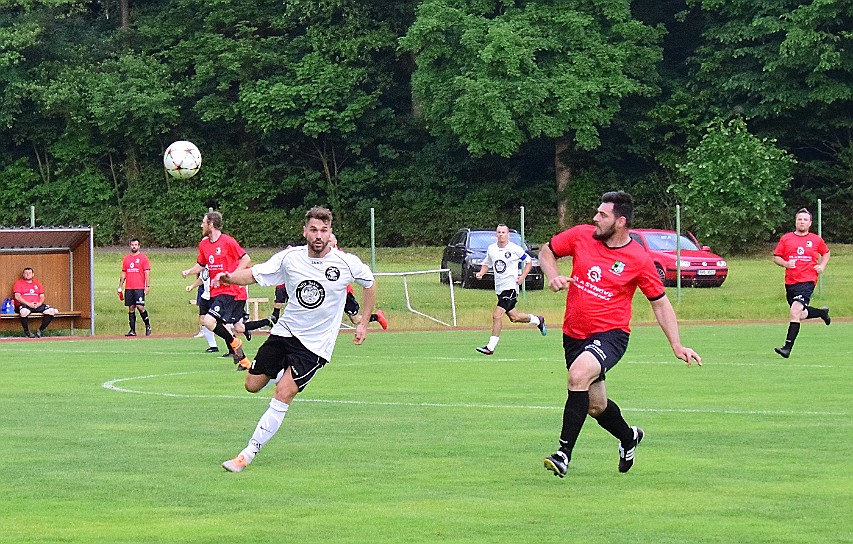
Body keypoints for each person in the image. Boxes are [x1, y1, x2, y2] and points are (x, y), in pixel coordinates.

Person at [537, 191, 701, 478]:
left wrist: (676, 344)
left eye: (603, 215)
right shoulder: (581, 236)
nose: (595, 218)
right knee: (595, 405)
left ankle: (563, 454)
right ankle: (628, 437)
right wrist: (552, 275)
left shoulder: (638, 258)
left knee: (578, 375)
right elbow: (546, 250)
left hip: (611, 335)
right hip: (574, 334)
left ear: (621, 221)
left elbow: (660, 303)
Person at [215, 207, 377, 473]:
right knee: (252, 385)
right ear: (305, 231)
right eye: (313, 230)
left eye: (324, 231)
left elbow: (369, 284)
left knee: (283, 393)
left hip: (314, 346)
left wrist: (364, 323)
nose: (318, 235)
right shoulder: (290, 258)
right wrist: (230, 277)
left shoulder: (346, 263)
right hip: (284, 332)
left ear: (330, 233)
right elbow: (256, 273)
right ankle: (284, 374)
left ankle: (247, 454)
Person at [181, 211, 251, 368]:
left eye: (203, 222)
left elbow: (246, 259)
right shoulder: (204, 244)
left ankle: (234, 342)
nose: (201, 225)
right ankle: (243, 360)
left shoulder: (228, 242)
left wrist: (233, 275)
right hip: (214, 292)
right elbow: (201, 264)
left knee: (208, 321)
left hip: (229, 291)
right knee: (219, 325)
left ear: (211, 224)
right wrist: (189, 271)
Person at [473, 224, 545, 355]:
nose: (501, 234)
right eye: (499, 232)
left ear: (508, 235)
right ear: (496, 234)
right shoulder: (492, 249)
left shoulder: (514, 249)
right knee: (514, 317)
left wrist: (522, 277)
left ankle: (490, 347)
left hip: (511, 287)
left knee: (497, 315)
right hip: (499, 289)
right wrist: (481, 273)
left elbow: (528, 261)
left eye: (503, 232)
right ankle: (537, 320)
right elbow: (487, 263)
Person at [772, 208, 831, 358]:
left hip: (808, 281)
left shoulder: (816, 240)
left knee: (794, 312)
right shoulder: (786, 238)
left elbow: (826, 253)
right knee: (801, 314)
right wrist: (785, 263)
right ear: (795, 221)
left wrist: (822, 266)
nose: (802, 222)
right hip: (791, 282)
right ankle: (821, 312)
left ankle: (787, 348)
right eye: (799, 219)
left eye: (805, 220)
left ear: (810, 223)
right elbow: (776, 257)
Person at [328, 234, 388, 330]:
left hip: (345, 294)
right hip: (331, 293)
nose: (328, 243)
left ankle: (377, 317)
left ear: (335, 242)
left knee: (355, 320)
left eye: (330, 241)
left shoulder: (341, 257)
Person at [118, 238, 152, 336]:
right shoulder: (126, 259)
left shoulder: (143, 258)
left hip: (139, 287)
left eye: (136, 245)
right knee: (131, 307)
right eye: (132, 244)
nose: (134, 246)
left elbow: (147, 272)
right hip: (129, 287)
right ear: (130, 246)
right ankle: (132, 330)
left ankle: (147, 325)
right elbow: (124, 273)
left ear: (139, 246)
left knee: (140, 307)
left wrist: (147, 285)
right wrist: (120, 286)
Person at [13, 267, 58, 338]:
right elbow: (17, 296)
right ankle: (27, 331)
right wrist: (28, 304)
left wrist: (39, 303)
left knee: (51, 311)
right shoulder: (18, 283)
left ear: (33, 274)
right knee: (24, 312)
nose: (28, 274)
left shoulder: (37, 283)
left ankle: (40, 330)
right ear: (23, 274)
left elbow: (42, 296)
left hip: (37, 305)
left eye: (29, 273)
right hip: (25, 305)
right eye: (26, 273)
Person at [185, 265, 220, 353]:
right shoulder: (205, 265)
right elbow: (202, 278)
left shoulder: (215, 264)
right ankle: (213, 346)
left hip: (215, 295)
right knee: (203, 319)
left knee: (219, 321)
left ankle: (232, 341)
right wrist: (192, 286)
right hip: (205, 295)